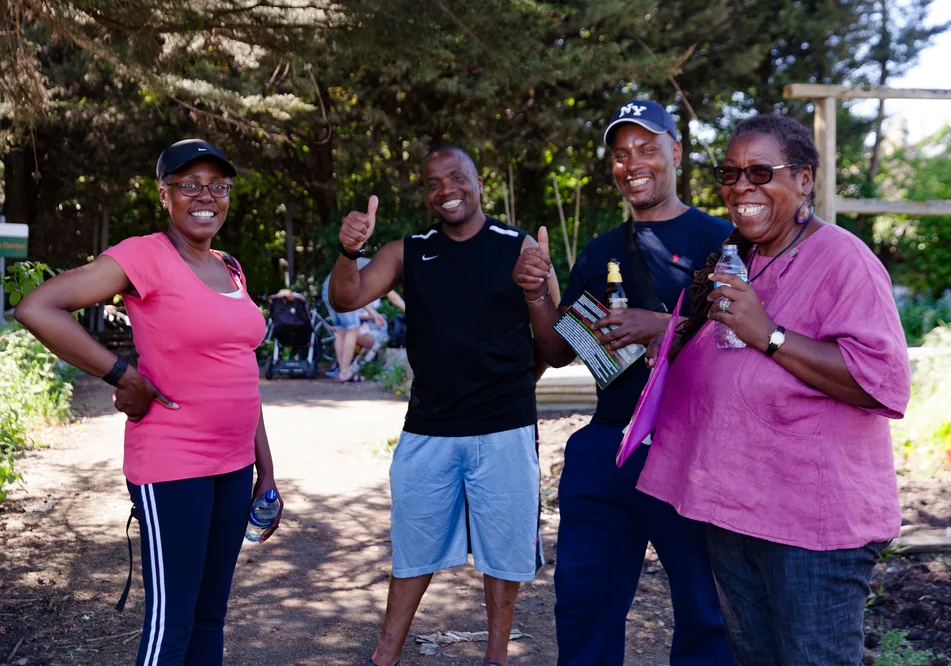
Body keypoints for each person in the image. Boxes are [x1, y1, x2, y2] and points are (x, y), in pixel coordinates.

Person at [638, 114, 911, 665]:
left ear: (804, 179)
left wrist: (771, 336)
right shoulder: (743, 257)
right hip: (736, 510)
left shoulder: (843, 258)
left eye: (762, 171)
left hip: (812, 524)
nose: (743, 187)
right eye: (731, 172)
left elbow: (881, 380)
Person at [14, 139, 283, 666]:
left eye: (218, 186)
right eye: (189, 185)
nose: (205, 196)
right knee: (172, 622)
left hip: (234, 466)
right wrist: (121, 374)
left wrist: (266, 470)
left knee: (211, 615)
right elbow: (38, 306)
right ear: (165, 195)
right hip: (172, 465)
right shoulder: (144, 255)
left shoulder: (230, 267)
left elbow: (241, 377)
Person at [513, 99, 734, 665]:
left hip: (693, 447)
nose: (632, 162)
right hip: (609, 443)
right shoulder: (602, 250)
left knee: (706, 612)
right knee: (584, 603)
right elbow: (561, 351)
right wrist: (539, 292)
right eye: (620, 153)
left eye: (646, 148)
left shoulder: (724, 239)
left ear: (675, 153)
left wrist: (662, 325)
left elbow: (749, 338)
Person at [329, 145, 556, 666]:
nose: (446, 189)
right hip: (429, 428)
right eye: (434, 183)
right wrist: (348, 252)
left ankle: (495, 657)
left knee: (504, 555)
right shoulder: (409, 251)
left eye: (457, 177)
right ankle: (385, 655)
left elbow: (556, 346)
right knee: (413, 550)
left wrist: (537, 291)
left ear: (479, 182)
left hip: (504, 427)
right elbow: (347, 298)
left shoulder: (517, 246)